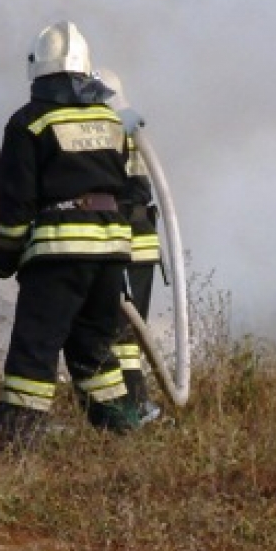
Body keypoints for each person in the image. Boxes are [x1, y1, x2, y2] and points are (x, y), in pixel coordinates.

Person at [0, 21, 140, 449]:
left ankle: (16, 444)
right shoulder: (110, 120)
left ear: (37, 70)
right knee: (94, 348)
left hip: (60, 253)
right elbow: (125, 185)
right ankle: (121, 432)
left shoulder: (29, 123)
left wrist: (6, 252)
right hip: (111, 251)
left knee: (35, 347)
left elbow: (16, 199)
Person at [95, 67, 162, 418]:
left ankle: (131, 407)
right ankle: (131, 406)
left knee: (117, 331)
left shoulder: (108, 130)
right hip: (140, 240)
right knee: (125, 331)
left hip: (123, 240)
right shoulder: (128, 127)